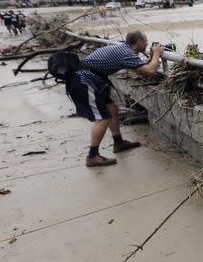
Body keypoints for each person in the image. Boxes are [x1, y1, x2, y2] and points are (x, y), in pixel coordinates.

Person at [66, 30, 164, 167]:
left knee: (112, 108)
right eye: (146, 41)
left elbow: (141, 70)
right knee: (103, 118)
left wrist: (153, 55)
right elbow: (150, 71)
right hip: (83, 80)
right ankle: (92, 156)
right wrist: (158, 54)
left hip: (88, 78)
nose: (147, 43)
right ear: (139, 42)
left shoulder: (124, 50)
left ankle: (118, 143)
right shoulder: (126, 53)